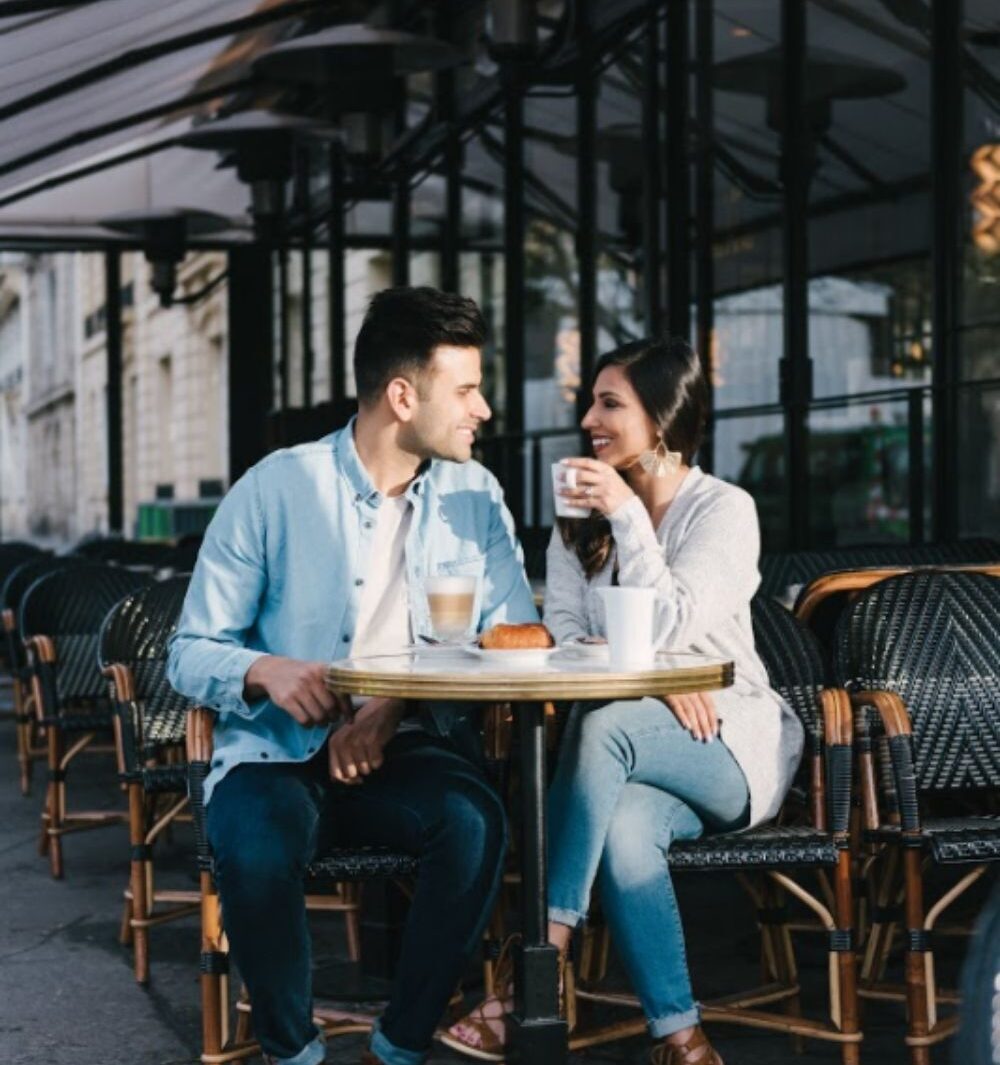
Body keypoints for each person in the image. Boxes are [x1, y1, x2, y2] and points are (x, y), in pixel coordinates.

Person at [167, 286, 538, 1065]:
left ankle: (399, 1045)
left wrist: (390, 707)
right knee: (256, 845)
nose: (485, 409)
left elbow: (510, 635)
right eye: (466, 388)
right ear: (403, 396)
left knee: (476, 825)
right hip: (274, 749)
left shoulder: (476, 497)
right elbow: (189, 650)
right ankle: (294, 1052)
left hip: (407, 747)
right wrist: (264, 668)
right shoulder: (276, 487)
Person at [443, 337, 804, 1065]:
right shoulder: (579, 521)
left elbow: (672, 619)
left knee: (604, 725)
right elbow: (570, 640)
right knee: (628, 828)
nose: (589, 418)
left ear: (664, 418)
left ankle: (531, 976)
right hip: (648, 742)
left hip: (734, 740)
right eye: (592, 400)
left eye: (611, 403)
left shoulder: (725, 511)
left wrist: (629, 518)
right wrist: (657, 683)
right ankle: (683, 1038)